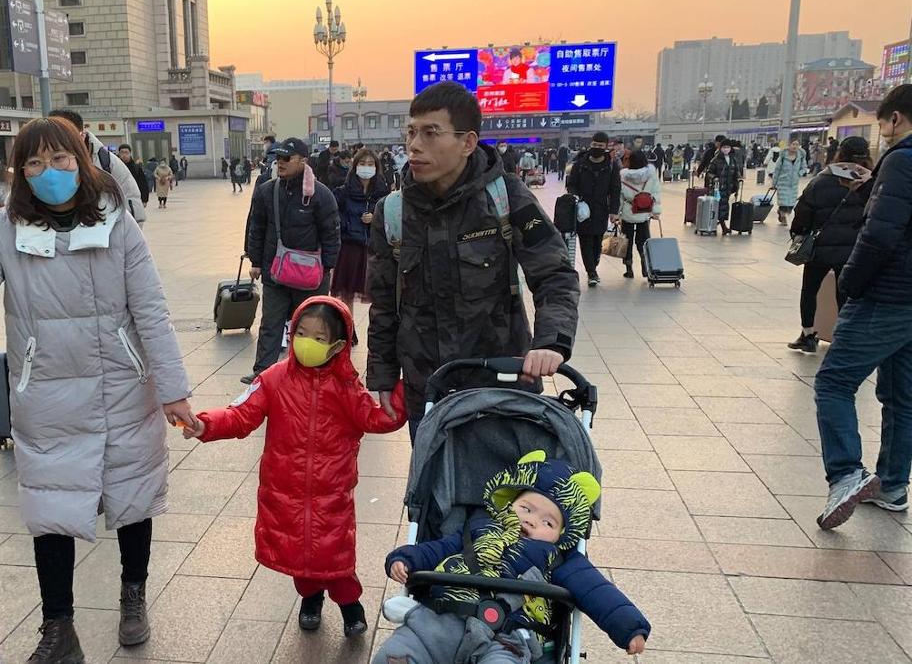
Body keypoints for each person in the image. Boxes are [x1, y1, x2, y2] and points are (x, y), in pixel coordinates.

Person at [0, 116, 194, 661]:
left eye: (59, 159)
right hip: (45, 391)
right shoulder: (7, 227)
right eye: (34, 163)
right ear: (20, 174)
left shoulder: (119, 223)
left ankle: (133, 593)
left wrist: (173, 389)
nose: (49, 172)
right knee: (50, 510)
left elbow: (151, 310)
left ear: (81, 160)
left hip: (122, 385)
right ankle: (58, 628)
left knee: (132, 498)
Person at [367, 82, 579, 441]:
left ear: (467, 143)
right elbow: (384, 303)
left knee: (507, 492)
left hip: (501, 384)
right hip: (428, 390)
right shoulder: (393, 212)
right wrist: (383, 375)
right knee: (434, 491)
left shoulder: (506, 197)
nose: (414, 145)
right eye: (411, 132)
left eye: (431, 133)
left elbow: (554, 273)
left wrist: (550, 342)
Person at [185, 299, 405, 638]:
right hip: (283, 489)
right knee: (298, 556)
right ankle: (310, 598)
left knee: (336, 556)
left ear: (338, 345)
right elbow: (241, 414)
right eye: (301, 333)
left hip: (332, 491)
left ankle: (350, 604)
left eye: (318, 338)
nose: (306, 342)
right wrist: (205, 425)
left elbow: (376, 418)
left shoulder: (347, 386)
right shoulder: (273, 379)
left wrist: (407, 390)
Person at [374, 453, 649, 663]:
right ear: (508, 502)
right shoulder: (476, 529)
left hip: (507, 634)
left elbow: (597, 591)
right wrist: (405, 558)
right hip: (442, 615)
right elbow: (435, 549)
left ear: (562, 535)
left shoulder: (559, 559)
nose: (531, 521)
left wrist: (629, 627)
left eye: (548, 522)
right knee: (398, 652)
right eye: (526, 508)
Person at [812, 86, 912, 530]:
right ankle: (892, 485)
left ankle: (847, 473)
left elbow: (879, 234)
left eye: (884, 124)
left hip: (888, 292)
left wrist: (850, 281)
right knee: (901, 395)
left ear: (895, 119)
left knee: (834, 381)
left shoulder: (903, 160)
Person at [242, 137, 340, 384]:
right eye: (278, 158)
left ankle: (311, 372)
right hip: (276, 271)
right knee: (271, 323)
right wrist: (255, 260)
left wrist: (327, 267)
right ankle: (263, 373)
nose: (280, 163)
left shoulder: (320, 194)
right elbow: (256, 227)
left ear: (303, 161)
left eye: (286, 158)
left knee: (312, 326)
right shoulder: (267, 190)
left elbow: (332, 232)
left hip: (310, 276)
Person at [786, 136, 874, 354]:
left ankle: (808, 335)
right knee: (845, 294)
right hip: (853, 250)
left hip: (820, 249)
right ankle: (846, 339)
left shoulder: (822, 180)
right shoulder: (871, 182)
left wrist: (798, 233)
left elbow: (802, 214)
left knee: (810, 290)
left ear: (840, 154)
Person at [49, 110, 147, 225]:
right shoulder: (40, 166)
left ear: (82, 135)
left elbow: (131, 200)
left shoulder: (106, 162)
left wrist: (123, 237)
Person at [331, 147, 390, 312]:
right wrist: (350, 223)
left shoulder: (382, 193)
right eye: (363, 163)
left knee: (376, 293)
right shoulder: (343, 191)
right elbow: (335, 217)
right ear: (355, 165)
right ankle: (349, 331)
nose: (366, 167)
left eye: (371, 164)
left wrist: (375, 218)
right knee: (346, 294)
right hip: (349, 247)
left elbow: (390, 218)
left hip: (374, 249)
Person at [566, 132, 621, 287]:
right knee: (585, 240)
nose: (596, 148)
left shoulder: (611, 166)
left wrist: (614, 211)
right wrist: (576, 197)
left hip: (601, 208)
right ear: (591, 144)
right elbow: (571, 184)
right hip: (583, 209)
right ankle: (591, 272)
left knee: (597, 240)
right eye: (594, 145)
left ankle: (594, 264)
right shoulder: (580, 164)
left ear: (605, 147)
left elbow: (615, 189)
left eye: (600, 146)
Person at [617, 148, 662, 280]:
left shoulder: (624, 175)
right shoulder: (651, 174)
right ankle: (645, 267)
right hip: (644, 211)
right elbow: (656, 193)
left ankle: (629, 269)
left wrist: (617, 214)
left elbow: (620, 196)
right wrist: (656, 212)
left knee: (626, 241)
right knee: (643, 240)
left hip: (628, 211)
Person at [705, 138, 742, 235]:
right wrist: (714, 178)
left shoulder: (733, 159)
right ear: (721, 148)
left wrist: (738, 180)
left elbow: (736, 171)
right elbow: (709, 172)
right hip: (717, 188)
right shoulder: (716, 159)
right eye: (724, 147)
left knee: (724, 207)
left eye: (728, 147)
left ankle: (721, 225)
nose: (726, 149)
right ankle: (721, 226)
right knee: (719, 206)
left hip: (728, 187)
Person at [770, 139, 808, 225]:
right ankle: (783, 216)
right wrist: (774, 183)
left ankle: (780, 212)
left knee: (791, 204)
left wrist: (799, 173)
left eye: (797, 145)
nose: (795, 146)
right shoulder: (783, 157)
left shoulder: (801, 157)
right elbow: (777, 170)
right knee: (783, 203)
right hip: (782, 182)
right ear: (789, 145)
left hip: (794, 184)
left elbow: (804, 167)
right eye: (793, 144)